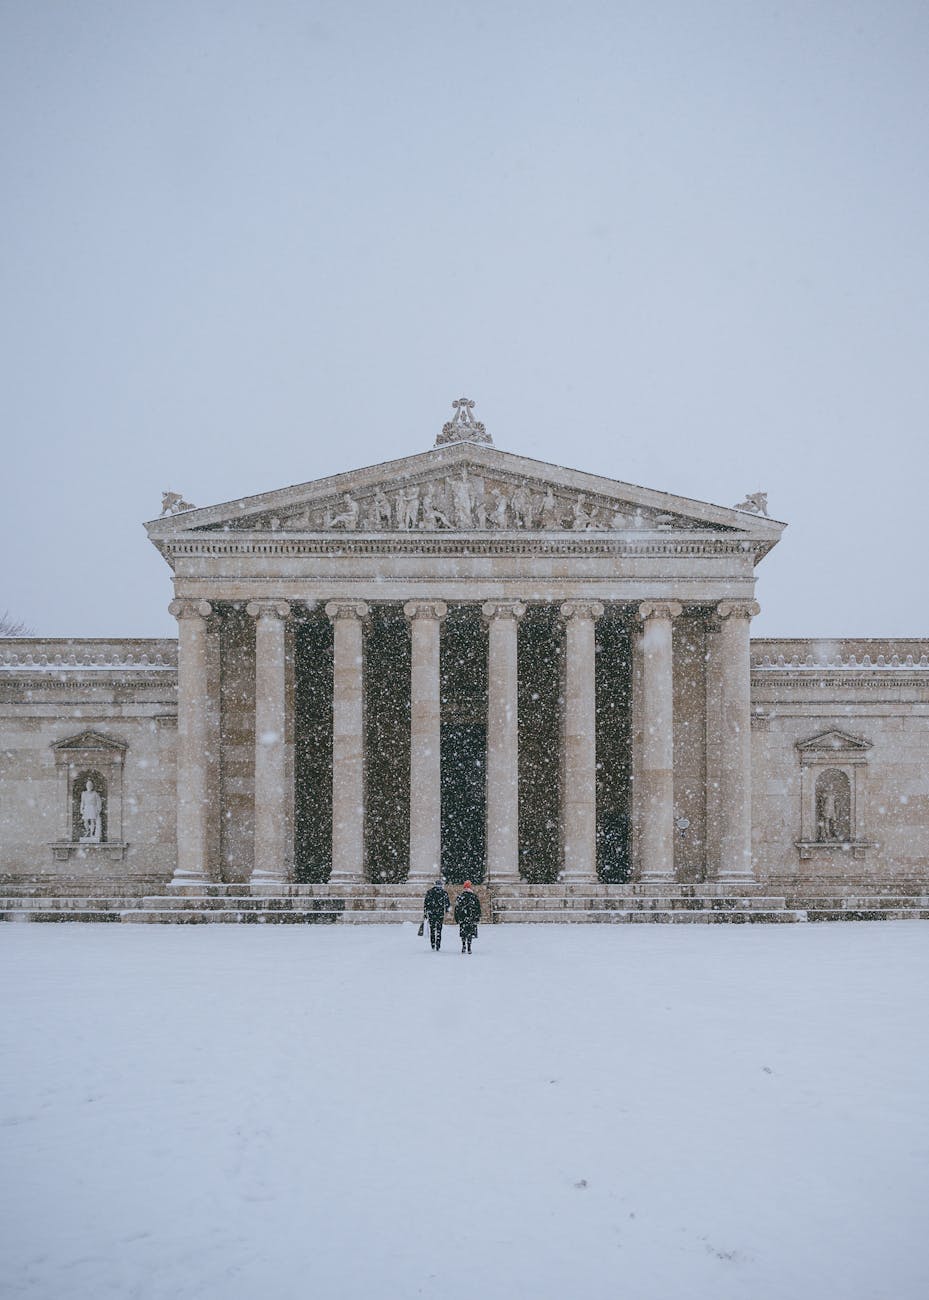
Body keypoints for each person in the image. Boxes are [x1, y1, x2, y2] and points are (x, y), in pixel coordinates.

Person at [423, 878, 450, 951]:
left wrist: (425, 913)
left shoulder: (430, 892)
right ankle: (438, 944)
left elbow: (426, 904)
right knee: (439, 929)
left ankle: (433, 944)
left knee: (432, 929)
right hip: (440, 913)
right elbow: (447, 903)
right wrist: (446, 909)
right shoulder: (443, 893)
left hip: (432, 913)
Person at [454, 880, 481, 954]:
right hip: (471, 917)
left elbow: (456, 908)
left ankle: (463, 945)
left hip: (463, 917)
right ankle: (469, 947)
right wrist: (477, 917)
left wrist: (456, 918)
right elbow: (478, 908)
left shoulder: (460, 897)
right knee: (470, 932)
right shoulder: (474, 896)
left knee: (463, 932)